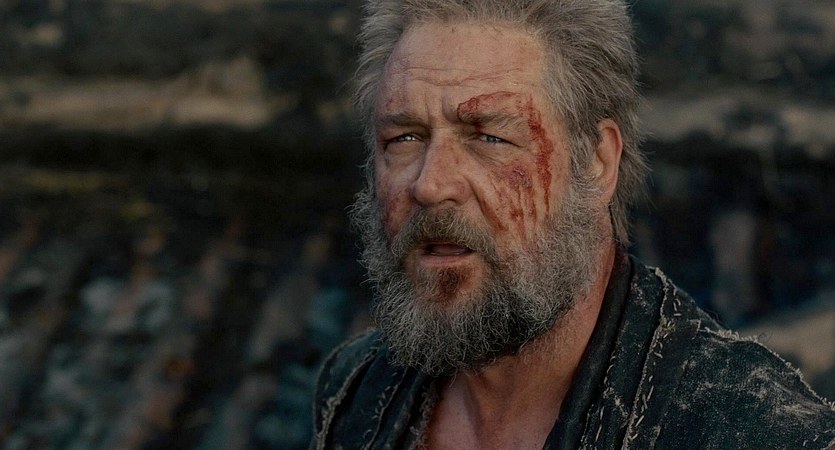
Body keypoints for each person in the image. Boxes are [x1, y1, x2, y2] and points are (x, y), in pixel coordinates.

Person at [310, 0, 835, 448]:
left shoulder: (750, 431)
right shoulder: (358, 392)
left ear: (597, 162)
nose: (430, 184)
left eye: (490, 137)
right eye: (403, 138)